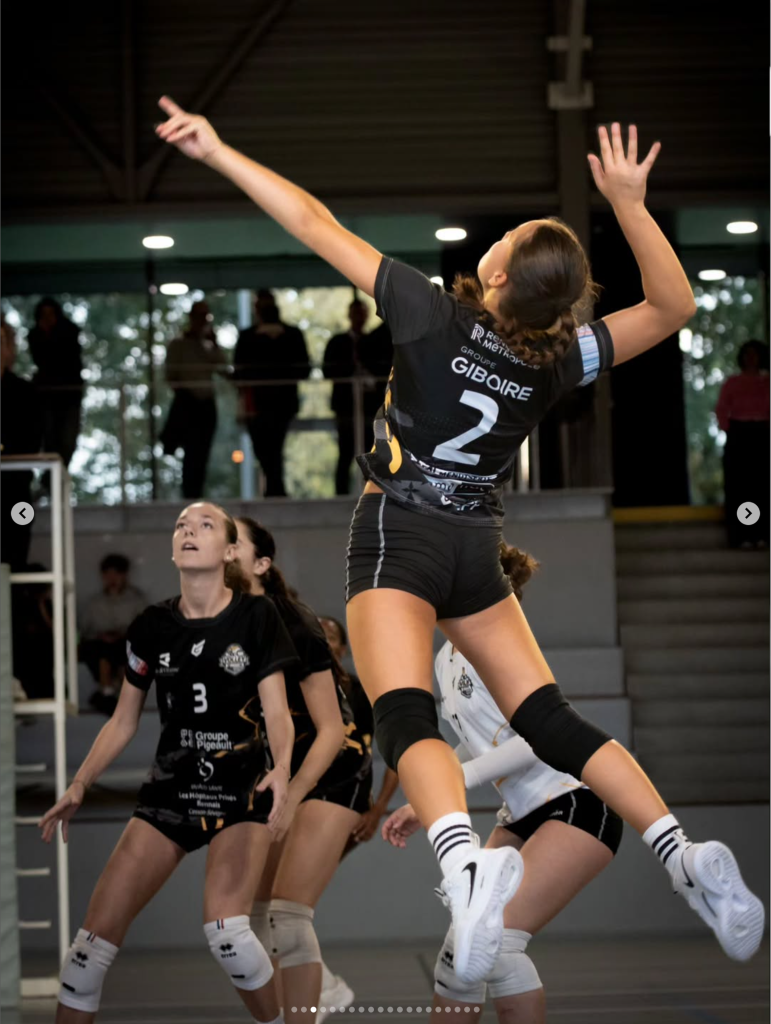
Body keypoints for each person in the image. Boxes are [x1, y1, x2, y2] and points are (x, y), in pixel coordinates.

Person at [155, 103, 764, 983]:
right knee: (548, 717)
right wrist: (630, 205)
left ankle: (464, 868)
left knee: (404, 714)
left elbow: (311, 221)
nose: (506, 230)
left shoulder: (428, 311)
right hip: (475, 547)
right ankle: (678, 848)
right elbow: (673, 306)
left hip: (397, 532)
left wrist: (220, 153)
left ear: (503, 272)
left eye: (513, 233)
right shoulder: (555, 357)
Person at [38, 502, 299, 1024]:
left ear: (228, 551)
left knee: (229, 937)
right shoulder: (151, 625)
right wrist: (79, 783)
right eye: (181, 524)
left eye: (204, 525)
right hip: (170, 795)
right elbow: (122, 721)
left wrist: (284, 767)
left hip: (239, 795)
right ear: (172, 547)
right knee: (85, 956)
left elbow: (277, 710)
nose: (188, 530)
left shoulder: (256, 615)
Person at [382, 543, 623, 1023]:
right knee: (464, 951)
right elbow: (479, 741)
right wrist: (428, 797)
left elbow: (537, 740)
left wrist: (458, 782)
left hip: (575, 803)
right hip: (521, 814)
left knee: (499, 942)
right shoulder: (446, 659)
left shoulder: (502, 646)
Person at [234, 518, 371, 1024]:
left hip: (330, 768)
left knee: (289, 916)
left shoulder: (291, 620)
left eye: (233, 541)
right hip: (279, 769)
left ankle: (305, 1009)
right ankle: (322, 993)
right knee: (251, 918)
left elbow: (336, 731)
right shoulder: (216, 619)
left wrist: (295, 791)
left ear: (261, 564)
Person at [316, 615, 399, 1022]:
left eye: (331, 637)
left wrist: (377, 807)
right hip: (303, 804)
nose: (324, 642)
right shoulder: (298, 687)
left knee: (288, 908)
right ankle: (319, 988)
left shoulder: (359, 692)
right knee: (283, 910)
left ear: (344, 650)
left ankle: (321, 991)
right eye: (317, 636)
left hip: (345, 806)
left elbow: (396, 757)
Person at [234, 290, 311, 497]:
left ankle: (275, 489)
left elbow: (303, 368)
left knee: (274, 446)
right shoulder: (247, 336)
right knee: (263, 448)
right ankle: (275, 488)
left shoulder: (292, 335)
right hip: (256, 403)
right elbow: (239, 370)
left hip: (282, 403)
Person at [161, 300, 228, 499]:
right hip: (188, 402)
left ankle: (196, 492)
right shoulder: (178, 344)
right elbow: (170, 375)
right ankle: (189, 494)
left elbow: (223, 368)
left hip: (206, 403)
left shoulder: (208, 345)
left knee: (202, 452)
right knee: (191, 453)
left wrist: (214, 344)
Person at [323, 300, 391, 495]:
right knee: (345, 451)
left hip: (371, 406)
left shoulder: (377, 341)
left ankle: (373, 491)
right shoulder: (338, 342)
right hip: (345, 406)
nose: (359, 317)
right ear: (349, 315)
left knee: (373, 450)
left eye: (362, 313)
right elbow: (329, 370)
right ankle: (341, 492)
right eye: (355, 313)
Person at [715, 339, 770, 548]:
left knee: (763, 486)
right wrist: (729, 428)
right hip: (740, 435)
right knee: (741, 486)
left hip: (763, 435)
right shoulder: (733, 382)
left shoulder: (766, 383)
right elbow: (721, 409)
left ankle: (762, 534)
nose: (751, 358)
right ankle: (743, 535)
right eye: (747, 353)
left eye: (754, 354)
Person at [79, 554, 147, 716]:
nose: (112, 579)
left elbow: (145, 628)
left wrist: (122, 634)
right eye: (108, 574)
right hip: (100, 645)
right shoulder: (94, 603)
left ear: (124, 576)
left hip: (125, 644)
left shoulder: (136, 601)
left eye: (116, 574)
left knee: (127, 648)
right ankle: (109, 690)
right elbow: (84, 631)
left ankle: (109, 692)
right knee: (101, 650)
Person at [1, 315, 42, 570]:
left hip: (15, 491)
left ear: (9, 348)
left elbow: (31, 441)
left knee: (14, 556)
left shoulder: (25, 393)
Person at [27, 297, 83, 469]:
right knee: (49, 438)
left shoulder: (69, 332)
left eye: (51, 314)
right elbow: (41, 361)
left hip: (68, 394)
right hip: (47, 395)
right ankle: (49, 476)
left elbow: (68, 360)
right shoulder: (36, 335)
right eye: (44, 314)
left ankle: (58, 472)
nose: (48, 318)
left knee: (66, 439)